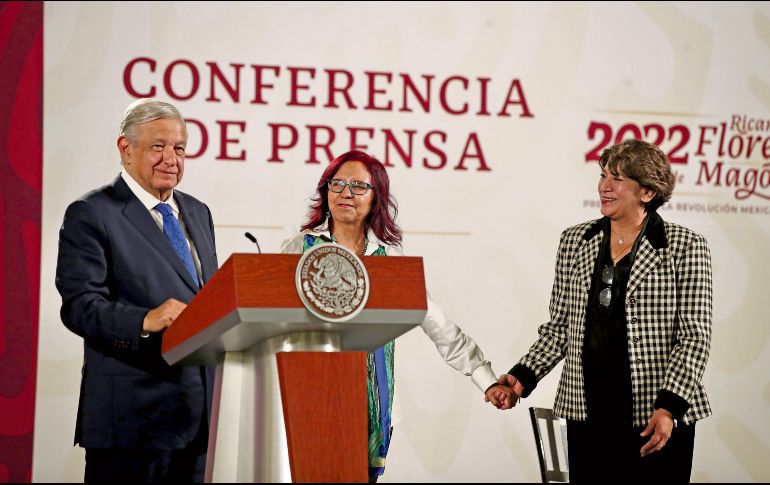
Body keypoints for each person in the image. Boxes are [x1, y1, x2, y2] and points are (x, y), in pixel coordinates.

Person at [487, 139, 712, 483]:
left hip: (656, 418)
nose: (605, 186)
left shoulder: (685, 246)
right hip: (586, 413)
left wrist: (669, 408)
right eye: (604, 175)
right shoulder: (575, 240)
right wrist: (522, 378)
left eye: (618, 179)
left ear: (648, 192)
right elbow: (560, 327)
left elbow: (695, 338)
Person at [280, 150, 504, 482]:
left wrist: (485, 378)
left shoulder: (388, 259)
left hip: (370, 405)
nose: (346, 193)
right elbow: (271, 318)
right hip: (308, 399)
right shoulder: (299, 248)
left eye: (358, 186)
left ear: (376, 198)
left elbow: (437, 325)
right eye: (337, 184)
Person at [55, 98, 218, 483]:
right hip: (130, 424)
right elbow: (79, 306)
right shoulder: (92, 213)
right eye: (158, 146)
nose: (171, 159)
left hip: (198, 421)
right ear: (125, 148)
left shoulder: (198, 212)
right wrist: (144, 320)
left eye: (179, 148)